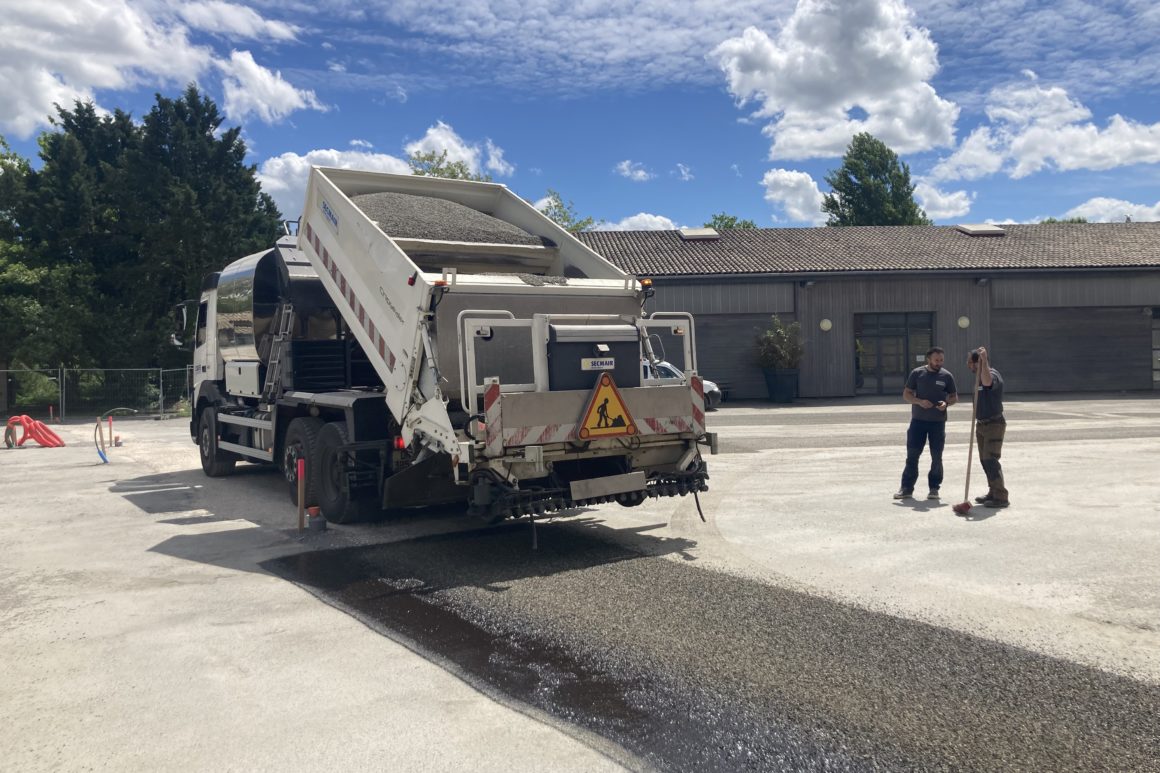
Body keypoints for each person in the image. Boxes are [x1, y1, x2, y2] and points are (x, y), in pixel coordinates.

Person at [894, 347, 958, 500]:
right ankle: (906, 489)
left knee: (937, 457)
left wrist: (946, 403)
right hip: (918, 423)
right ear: (928, 359)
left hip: (938, 423)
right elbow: (906, 395)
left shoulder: (947, 376)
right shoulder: (917, 374)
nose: (939, 363)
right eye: (936, 360)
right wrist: (919, 401)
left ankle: (934, 489)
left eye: (941, 360)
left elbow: (954, 396)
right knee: (912, 456)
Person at [967, 346, 1009, 508]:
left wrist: (983, 362)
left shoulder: (992, 374)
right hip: (982, 424)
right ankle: (993, 491)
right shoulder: (978, 377)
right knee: (985, 461)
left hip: (994, 424)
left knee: (990, 460)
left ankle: (1001, 496)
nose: (968, 365)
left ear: (979, 363)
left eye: (971, 362)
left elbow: (988, 382)